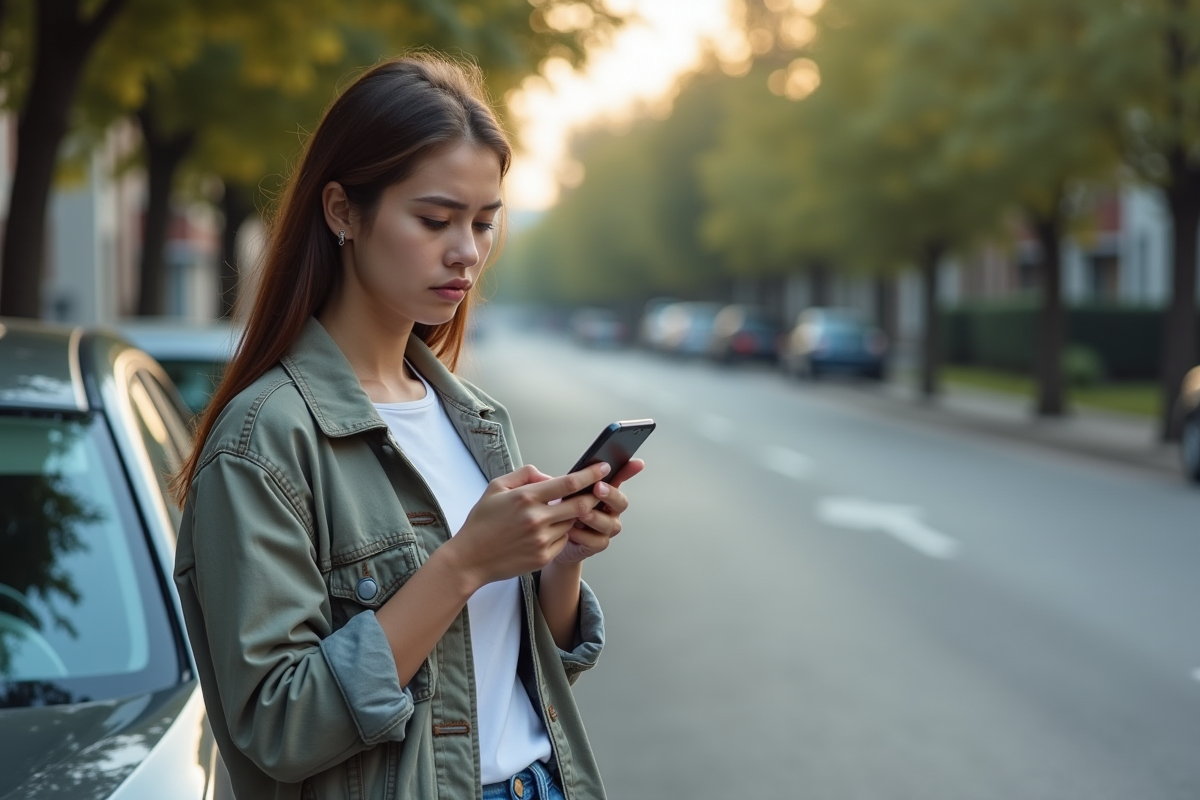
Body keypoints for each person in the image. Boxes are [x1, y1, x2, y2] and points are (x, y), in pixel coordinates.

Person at [171, 54, 643, 800]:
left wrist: (558, 560)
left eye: (485, 223)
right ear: (341, 212)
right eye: (434, 219)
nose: (467, 252)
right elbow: (279, 725)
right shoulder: (266, 441)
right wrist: (461, 566)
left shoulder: (476, 419)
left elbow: (515, 673)